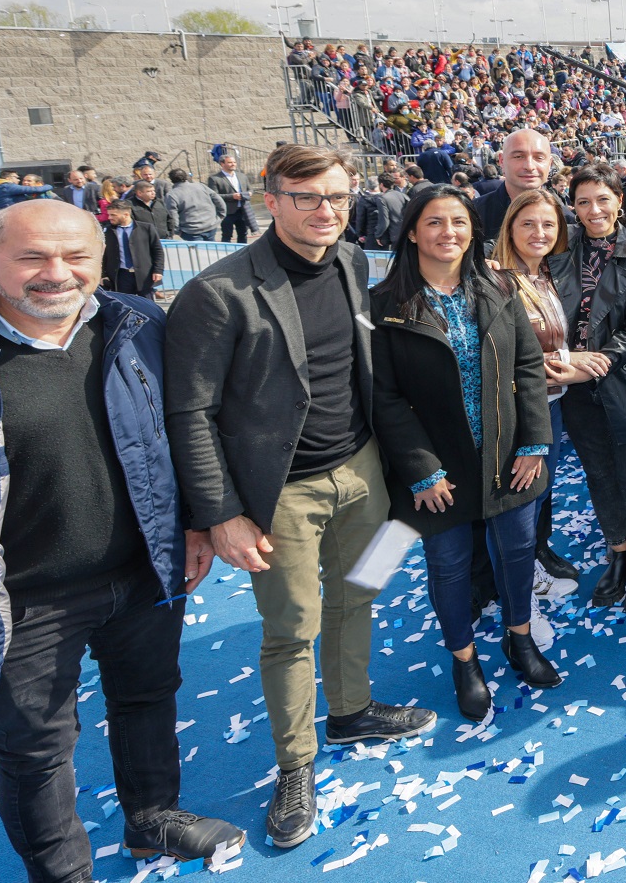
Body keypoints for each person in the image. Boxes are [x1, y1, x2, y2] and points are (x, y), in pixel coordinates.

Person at [0, 201, 242, 880]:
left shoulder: (141, 325)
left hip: (141, 571)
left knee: (148, 696)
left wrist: (196, 521)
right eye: (33, 257)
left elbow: (180, 431)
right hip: (21, 601)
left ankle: (152, 818)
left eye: (75, 256)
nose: (57, 273)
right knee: (37, 750)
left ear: (101, 258)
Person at [164, 144, 433, 850]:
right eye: (308, 196)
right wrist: (219, 512)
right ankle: (296, 764)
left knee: (364, 589)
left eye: (339, 197)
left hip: (363, 471)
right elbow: (188, 413)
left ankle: (351, 708)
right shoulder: (217, 293)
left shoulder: (350, 262)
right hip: (280, 493)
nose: (327, 211)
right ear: (271, 198)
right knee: (291, 627)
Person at [371, 186, 559, 722]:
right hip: (437, 468)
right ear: (411, 231)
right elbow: (383, 398)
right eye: (434, 222)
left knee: (518, 552)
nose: (448, 232)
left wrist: (534, 443)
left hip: (509, 457)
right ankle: (464, 660)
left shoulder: (499, 285)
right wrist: (421, 470)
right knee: (450, 567)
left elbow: (528, 367)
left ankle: (519, 639)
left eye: (458, 221)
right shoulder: (384, 305)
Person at [554, 164, 626, 612]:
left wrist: (591, 366)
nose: (593, 209)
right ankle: (616, 552)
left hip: (623, 379)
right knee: (598, 473)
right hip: (574, 383)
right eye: (583, 201)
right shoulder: (563, 246)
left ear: (620, 201)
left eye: (602, 199)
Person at [496, 186, 583, 594]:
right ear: (509, 227)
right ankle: (520, 586)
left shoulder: (544, 273)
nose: (539, 232)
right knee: (519, 503)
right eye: (527, 223)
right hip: (517, 411)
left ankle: (528, 568)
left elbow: (551, 341)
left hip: (552, 404)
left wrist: (572, 359)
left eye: (548, 224)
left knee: (538, 495)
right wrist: (571, 363)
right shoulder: (496, 279)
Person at [476, 126, 557, 238]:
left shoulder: (564, 218)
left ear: (550, 164)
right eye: (518, 156)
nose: (529, 166)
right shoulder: (473, 215)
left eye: (539, 158)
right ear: (501, 161)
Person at [101, 196, 165, 298]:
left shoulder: (146, 228)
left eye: (113, 215)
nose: (109, 218)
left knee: (147, 306)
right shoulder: (107, 231)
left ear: (126, 214)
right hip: (121, 276)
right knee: (125, 305)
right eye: (109, 215)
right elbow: (103, 255)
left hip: (144, 275)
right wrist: (103, 275)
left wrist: (158, 270)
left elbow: (157, 251)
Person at [165, 168, 223, 241]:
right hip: (209, 225)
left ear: (171, 180)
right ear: (186, 176)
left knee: (199, 252)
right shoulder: (201, 186)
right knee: (212, 250)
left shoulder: (171, 195)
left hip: (191, 230)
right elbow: (218, 199)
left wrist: (177, 231)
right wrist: (221, 215)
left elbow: (173, 215)